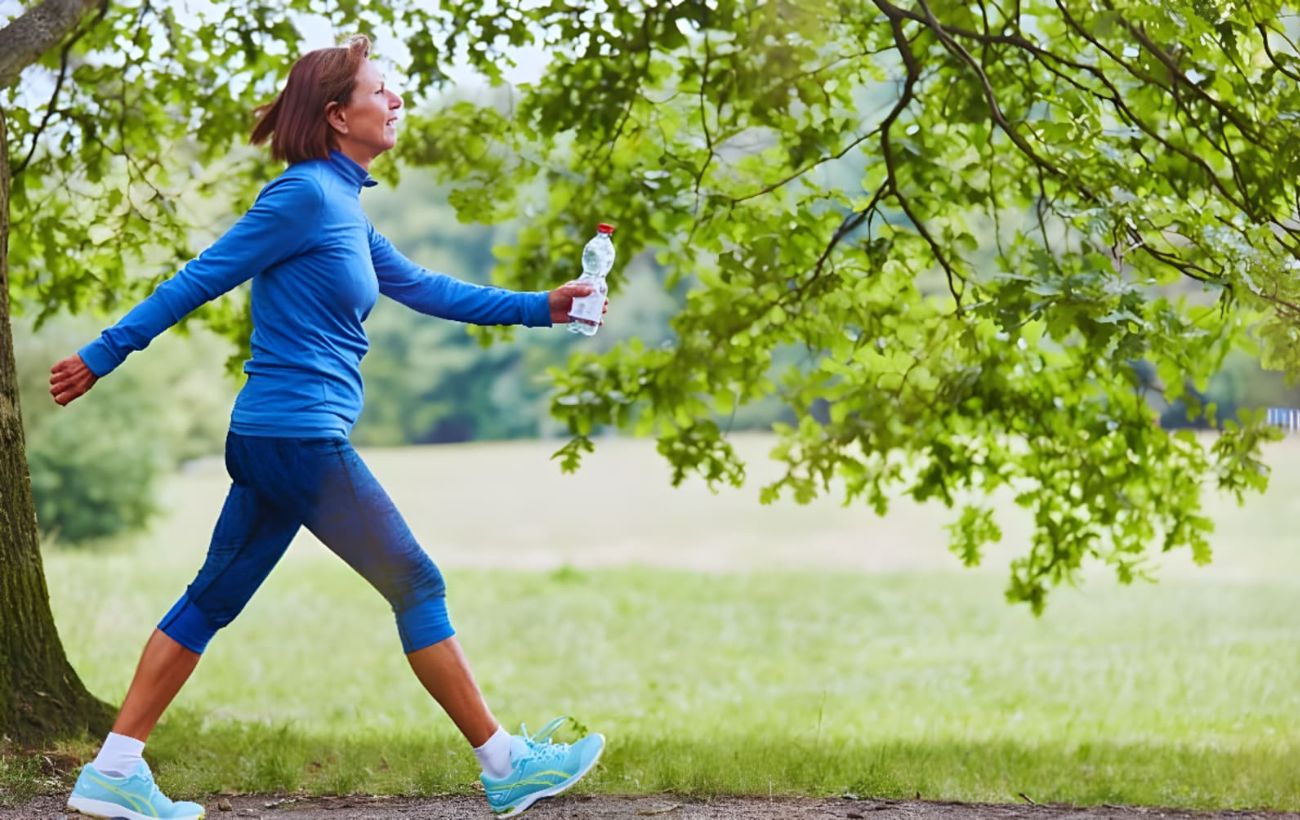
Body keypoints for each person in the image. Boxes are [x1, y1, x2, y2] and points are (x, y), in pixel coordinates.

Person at [49, 34, 605, 820]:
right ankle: (505, 763)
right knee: (416, 582)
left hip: (280, 440)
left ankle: (113, 769)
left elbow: (424, 287)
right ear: (339, 114)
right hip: (299, 437)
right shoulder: (302, 196)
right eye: (382, 90)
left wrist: (542, 308)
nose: (396, 100)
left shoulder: (342, 204)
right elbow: (203, 276)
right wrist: (104, 354)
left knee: (211, 600)